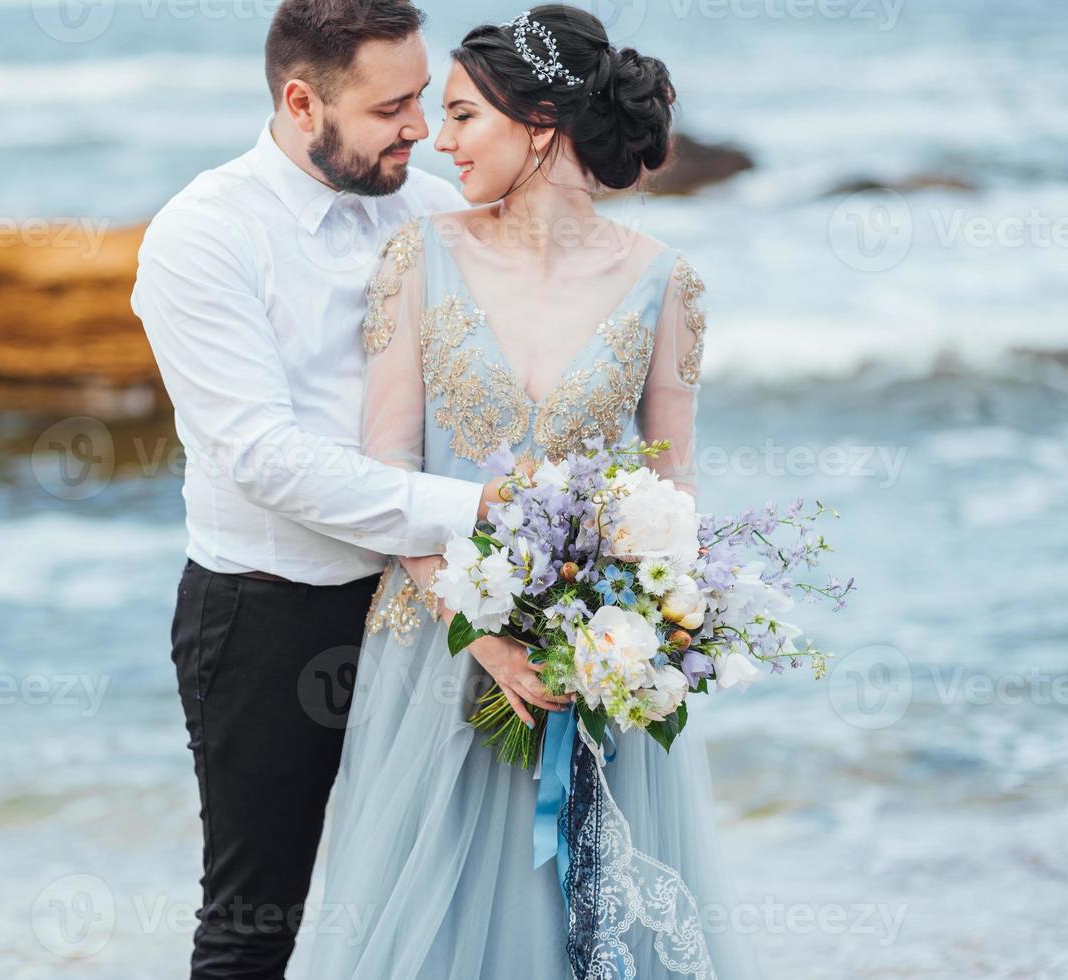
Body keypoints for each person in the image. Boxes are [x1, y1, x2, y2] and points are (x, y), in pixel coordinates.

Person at [301, 6, 766, 977]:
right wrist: (491, 638)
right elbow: (384, 478)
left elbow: (671, 485)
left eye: (464, 114)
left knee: (591, 932)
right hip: (436, 658)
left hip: (595, 670)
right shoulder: (417, 256)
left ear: (541, 122)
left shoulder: (664, 281)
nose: (439, 137)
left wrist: (645, 635)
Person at [127, 1, 517, 976]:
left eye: (422, 98)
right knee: (254, 925)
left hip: (435, 602)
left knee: (443, 887)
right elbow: (262, 454)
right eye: (390, 107)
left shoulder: (435, 210)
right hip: (271, 613)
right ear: (303, 103)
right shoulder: (202, 234)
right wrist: (470, 510)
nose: (420, 128)